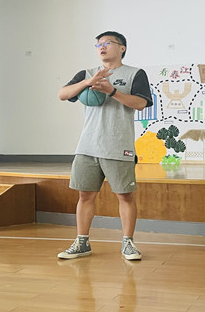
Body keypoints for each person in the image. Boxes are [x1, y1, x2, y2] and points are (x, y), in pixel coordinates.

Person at [57, 31, 153, 260]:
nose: (102, 47)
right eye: (98, 44)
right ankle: (82, 243)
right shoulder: (87, 73)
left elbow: (141, 104)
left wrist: (112, 91)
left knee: (125, 196)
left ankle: (128, 243)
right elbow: (62, 94)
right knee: (85, 196)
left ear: (122, 48)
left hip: (118, 146)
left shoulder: (135, 74)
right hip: (87, 146)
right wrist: (87, 83)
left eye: (107, 43)